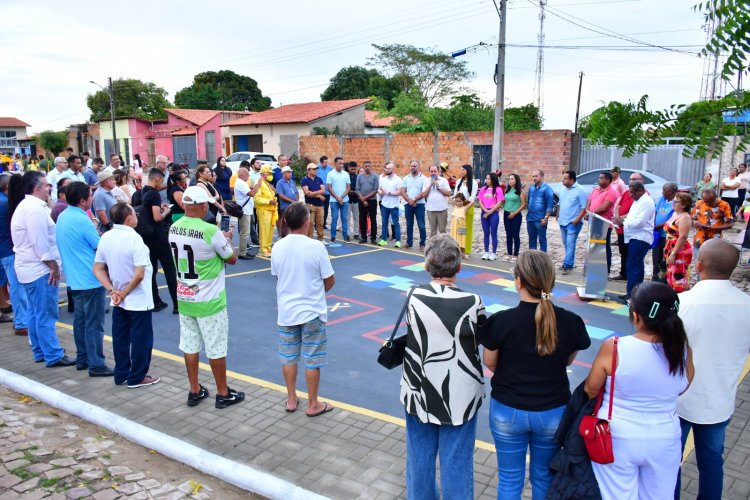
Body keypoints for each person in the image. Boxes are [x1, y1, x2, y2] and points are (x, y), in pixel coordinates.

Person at [478, 250, 590, 499]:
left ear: (518, 281)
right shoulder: (571, 322)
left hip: (508, 409)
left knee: (509, 477)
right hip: (552, 411)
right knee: (543, 476)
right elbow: (568, 358)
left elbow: (490, 363)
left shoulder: (501, 321)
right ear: (550, 280)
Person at [585, 281, 693, 500]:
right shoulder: (682, 350)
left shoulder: (615, 347)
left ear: (636, 317)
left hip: (616, 435)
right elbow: (683, 384)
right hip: (665, 436)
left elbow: (591, 388)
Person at [400, 233, 486, 499]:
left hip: (419, 388)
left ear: (427, 267)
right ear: (459, 267)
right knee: (457, 462)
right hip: (459, 393)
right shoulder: (473, 302)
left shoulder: (413, 295)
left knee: (419, 458)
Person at [675, 238, 750, 499]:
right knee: (711, 462)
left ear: (698, 265)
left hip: (679, 398)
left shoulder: (682, 303)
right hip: (720, 399)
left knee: (671, 462)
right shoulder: (747, 306)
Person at [169, 186, 242, 409]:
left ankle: (195, 389)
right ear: (202, 206)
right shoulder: (210, 231)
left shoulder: (174, 227)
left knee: (190, 345)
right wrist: (227, 238)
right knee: (216, 347)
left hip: (184, 294)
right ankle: (222, 392)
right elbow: (231, 259)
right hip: (209, 298)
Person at [270, 202, 335, 417]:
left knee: (289, 357)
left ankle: (291, 398)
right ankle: (313, 403)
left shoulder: (278, 246)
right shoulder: (316, 247)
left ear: (286, 222)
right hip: (312, 311)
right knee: (312, 358)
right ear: (307, 223)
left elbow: (278, 276)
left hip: (287, 310)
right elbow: (329, 279)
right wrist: (316, 292)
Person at [11, 171, 74, 367]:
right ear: (37, 188)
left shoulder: (30, 206)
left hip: (31, 268)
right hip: (39, 270)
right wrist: (52, 266)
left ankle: (41, 351)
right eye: (47, 185)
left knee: (35, 311)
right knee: (46, 313)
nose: (50, 188)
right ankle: (53, 354)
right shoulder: (34, 210)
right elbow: (40, 243)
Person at [94, 202, 159, 388]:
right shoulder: (134, 239)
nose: (137, 215)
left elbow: (97, 268)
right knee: (141, 338)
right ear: (128, 217)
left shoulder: (107, 237)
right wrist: (123, 292)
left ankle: (121, 373)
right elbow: (139, 273)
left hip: (119, 299)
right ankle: (137, 376)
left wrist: (112, 290)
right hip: (137, 298)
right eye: (134, 213)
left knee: (121, 337)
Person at [56, 182, 113, 376]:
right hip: (90, 278)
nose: (92, 198)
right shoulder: (82, 220)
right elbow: (100, 246)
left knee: (81, 321)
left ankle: (83, 358)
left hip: (74, 278)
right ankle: (96, 364)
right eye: (90, 195)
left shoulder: (63, 216)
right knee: (94, 324)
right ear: (82, 200)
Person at [137, 168, 177, 313]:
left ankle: (155, 301)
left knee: (151, 270)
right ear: (157, 179)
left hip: (146, 237)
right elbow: (157, 217)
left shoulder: (141, 192)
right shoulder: (154, 194)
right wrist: (165, 211)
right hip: (158, 236)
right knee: (169, 270)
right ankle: (177, 304)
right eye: (162, 181)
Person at [613, 181, 655, 300]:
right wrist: (620, 218)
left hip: (640, 238)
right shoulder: (638, 201)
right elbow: (631, 216)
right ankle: (637, 293)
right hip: (634, 236)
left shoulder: (646, 201)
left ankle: (631, 294)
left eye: (632, 192)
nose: (630, 195)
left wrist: (623, 222)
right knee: (637, 265)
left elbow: (639, 222)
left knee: (632, 265)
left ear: (640, 190)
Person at [0, 173, 29, 336]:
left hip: (5, 249)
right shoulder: (6, 204)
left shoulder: (4, 202)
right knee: (17, 287)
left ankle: (21, 320)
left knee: (14, 286)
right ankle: (21, 322)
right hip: (9, 250)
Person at [610, 171, 644, 281]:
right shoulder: (627, 193)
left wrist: (621, 219)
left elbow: (634, 213)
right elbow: (618, 206)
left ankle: (631, 277)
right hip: (621, 229)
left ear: (641, 181)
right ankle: (623, 273)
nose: (632, 181)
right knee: (623, 252)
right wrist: (616, 216)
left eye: (635, 179)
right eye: (630, 179)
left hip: (632, 231)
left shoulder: (643, 196)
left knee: (632, 256)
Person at [586, 171, 619, 274]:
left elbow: (604, 207)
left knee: (604, 247)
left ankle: (605, 269)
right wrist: (587, 211)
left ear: (608, 180)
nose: (599, 180)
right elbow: (589, 202)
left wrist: (591, 213)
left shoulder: (612, 192)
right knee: (593, 246)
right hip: (593, 221)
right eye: (599, 178)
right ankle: (594, 267)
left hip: (603, 223)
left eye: (601, 178)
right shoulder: (595, 190)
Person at [556, 171, 587, 274]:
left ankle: (567, 265)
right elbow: (560, 203)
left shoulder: (580, 190)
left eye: (565, 178)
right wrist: (558, 215)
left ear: (572, 180)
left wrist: (577, 220)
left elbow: (584, 207)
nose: (562, 180)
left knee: (570, 243)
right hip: (563, 221)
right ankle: (570, 262)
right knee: (566, 243)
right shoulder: (563, 189)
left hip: (573, 222)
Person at [690, 187, 734, 254]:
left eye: (710, 202)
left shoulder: (724, 205)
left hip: (714, 241)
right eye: (706, 202)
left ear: (716, 197)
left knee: (712, 263)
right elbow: (691, 218)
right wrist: (694, 222)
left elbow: (730, 224)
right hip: (699, 240)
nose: (708, 204)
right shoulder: (699, 203)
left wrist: (713, 228)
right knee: (698, 262)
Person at [664, 192, 693, 292]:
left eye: (676, 202)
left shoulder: (685, 217)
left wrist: (673, 253)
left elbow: (682, 237)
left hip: (680, 250)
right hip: (670, 246)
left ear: (684, 205)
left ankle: (679, 297)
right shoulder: (675, 213)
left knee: (678, 275)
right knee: (670, 274)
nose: (673, 203)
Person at [652, 182, 677, 280]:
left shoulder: (676, 202)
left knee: (666, 258)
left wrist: (657, 226)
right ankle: (655, 277)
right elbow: (656, 212)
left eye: (663, 190)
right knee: (656, 257)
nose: (662, 192)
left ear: (670, 191)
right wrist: (653, 224)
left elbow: (672, 220)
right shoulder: (662, 199)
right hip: (657, 234)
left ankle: (664, 279)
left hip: (668, 236)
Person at [234, 166, 260, 260]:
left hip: (247, 210)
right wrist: (259, 184)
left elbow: (249, 190)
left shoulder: (242, 183)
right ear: (241, 175)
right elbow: (252, 194)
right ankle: (242, 253)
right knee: (244, 233)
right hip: (244, 211)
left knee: (246, 232)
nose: (248, 176)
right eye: (247, 174)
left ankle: (243, 250)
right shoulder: (240, 183)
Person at [402, 160, 428, 250]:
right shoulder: (406, 178)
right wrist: (409, 201)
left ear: (419, 167)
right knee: (409, 224)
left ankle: (422, 243)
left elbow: (423, 193)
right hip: (408, 205)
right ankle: (409, 243)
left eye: (415, 166)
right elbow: (402, 191)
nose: (412, 167)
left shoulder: (424, 178)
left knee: (421, 225)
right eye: (411, 166)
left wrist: (413, 200)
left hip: (419, 205)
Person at [526, 170, 555, 252]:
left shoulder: (547, 189)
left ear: (542, 176)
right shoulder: (531, 188)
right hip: (530, 219)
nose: (534, 178)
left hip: (540, 219)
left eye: (536, 176)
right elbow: (529, 201)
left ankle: (543, 259)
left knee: (542, 240)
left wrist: (546, 218)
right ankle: (533, 258)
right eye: (533, 176)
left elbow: (550, 205)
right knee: (531, 239)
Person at [478, 172, 505, 261]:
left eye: (489, 178)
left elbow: (499, 202)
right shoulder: (483, 189)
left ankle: (493, 253)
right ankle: (486, 252)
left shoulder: (498, 189)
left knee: (493, 233)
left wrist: (490, 211)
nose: (487, 180)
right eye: (486, 178)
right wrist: (485, 211)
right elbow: (480, 201)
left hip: (493, 213)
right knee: (486, 232)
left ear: (493, 179)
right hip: (484, 213)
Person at [453, 165, 478, 257]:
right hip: (458, 208)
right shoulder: (459, 182)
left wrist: (463, 203)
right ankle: (459, 249)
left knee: (466, 229)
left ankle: (466, 250)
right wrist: (455, 201)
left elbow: (472, 197)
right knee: (459, 229)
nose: (461, 171)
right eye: (461, 170)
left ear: (468, 171)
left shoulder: (474, 183)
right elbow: (456, 194)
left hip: (468, 207)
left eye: (463, 170)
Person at [378, 162, 404, 247]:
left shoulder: (398, 180)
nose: (386, 170)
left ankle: (398, 241)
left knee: (395, 223)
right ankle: (384, 240)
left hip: (394, 205)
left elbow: (400, 192)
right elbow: (379, 190)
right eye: (385, 168)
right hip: (384, 204)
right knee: (384, 223)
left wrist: (389, 192)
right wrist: (380, 192)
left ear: (393, 169)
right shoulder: (383, 179)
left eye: (388, 168)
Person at [254, 165, 278, 257]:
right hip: (264, 209)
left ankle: (268, 247)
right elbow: (257, 198)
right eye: (270, 174)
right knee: (264, 230)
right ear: (264, 174)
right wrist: (269, 201)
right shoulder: (259, 182)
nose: (271, 175)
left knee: (270, 230)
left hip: (271, 209)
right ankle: (263, 249)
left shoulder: (266, 183)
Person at [422, 164, 452, 238]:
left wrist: (439, 188)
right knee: (433, 231)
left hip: (442, 209)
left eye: (435, 171)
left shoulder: (444, 180)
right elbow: (424, 195)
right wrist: (430, 185)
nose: (433, 173)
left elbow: (448, 194)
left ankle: (443, 247)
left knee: (442, 231)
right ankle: (433, 248)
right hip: (431, 209)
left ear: (438, 172)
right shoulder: (426, 181)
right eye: (431, 171)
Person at [326, 157, 351, 243]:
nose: (341, 165)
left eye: (342, 163)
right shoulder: (330, 174)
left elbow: (348, 187)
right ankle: (333, 237)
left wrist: (342, 197)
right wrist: (337, 197)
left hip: (345, 200)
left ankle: (346, 236)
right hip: (334, 201)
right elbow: (329, 187)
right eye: (339, 163)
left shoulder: (346, 174)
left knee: (344, 219)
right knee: (334, 219)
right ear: (335, 163)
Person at [503, 174, 526, 262]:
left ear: (516, 180)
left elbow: (523, 204)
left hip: (516, 215)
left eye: (512, 179)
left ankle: (515, 254)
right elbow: (505, 201)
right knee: (508, 234)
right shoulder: (507, 190)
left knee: (515, 234)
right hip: (506, 214)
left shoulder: (520, 192)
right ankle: (509, 253)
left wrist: (515, 213)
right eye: (509, 179)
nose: (510, 181)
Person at [356, 160, 380, 244]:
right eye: (365, 166)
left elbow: (375, 189)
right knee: (362, 219)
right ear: (363, 167)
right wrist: (362, 199)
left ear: (371, 167)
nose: (367, 168)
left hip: (372, 200)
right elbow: (357, 189)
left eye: (368, 166)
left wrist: (365, 198)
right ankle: (363, 237)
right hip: (361, 200)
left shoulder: (375, 176)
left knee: (373, 219)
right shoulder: (359, 176)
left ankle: (373, 238)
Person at [276, 165, 299, 239]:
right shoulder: (280, 183)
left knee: (293, 222)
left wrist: (297, 201)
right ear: (284, 174)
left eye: (291, 172)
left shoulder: (292, 182)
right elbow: (280, 195)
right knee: (285, 223)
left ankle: (291, 237)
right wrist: (292, 201)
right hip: (285, 206)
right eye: (289, 172)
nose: (291, 174)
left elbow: (296, 192)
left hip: (293, 205)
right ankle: (284, 237)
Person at [317, 156, 333, 229]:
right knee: (319, 208)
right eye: (324, 163)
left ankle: (323, 224)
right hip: (319, 192)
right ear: (321, 162)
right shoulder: (316, 168)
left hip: (327, 192)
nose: (326, 164)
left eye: (327, 162)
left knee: (326, 209)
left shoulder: (330, 168)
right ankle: (316, 224)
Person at [347, 161, 360, 241]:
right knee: (347, 218)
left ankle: (356, 233)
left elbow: (359, 188)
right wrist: (349, 191)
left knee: (356, 218)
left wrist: (355, 192)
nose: (353, 171)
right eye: (352, 169)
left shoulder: (358, 177)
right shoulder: (345, 176)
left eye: (354, 169)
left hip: (356, 200)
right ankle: (347, 233)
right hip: (347, 200)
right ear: (349, 168)